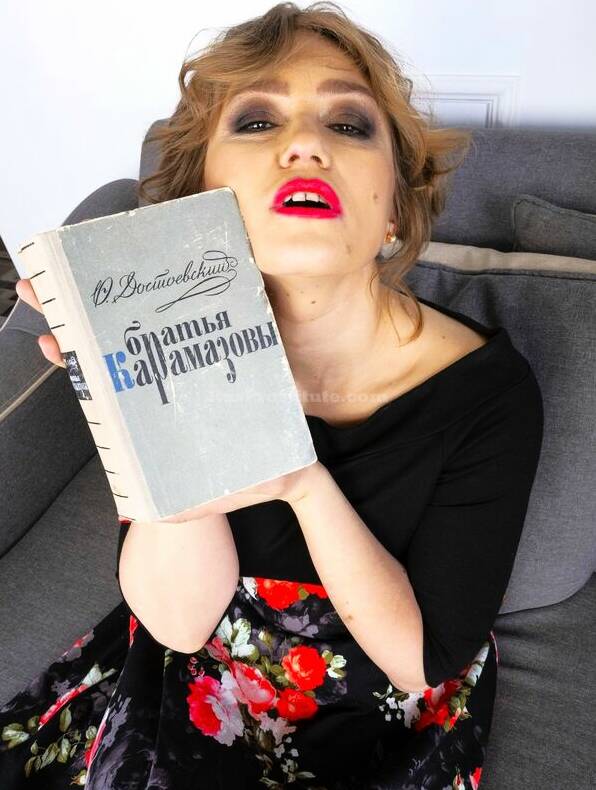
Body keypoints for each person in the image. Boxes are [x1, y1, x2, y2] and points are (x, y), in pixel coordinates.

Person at [1, 2, 544, 788]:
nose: (305, 144)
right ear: (199, 202)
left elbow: (418, 659)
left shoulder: (489, 393)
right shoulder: (159, 336)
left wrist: (301, 482)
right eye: (257, 122)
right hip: (197, 679)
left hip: (381, 718)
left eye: (348, 125)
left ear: (394, 208)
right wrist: (138, 409)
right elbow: (180, 623)